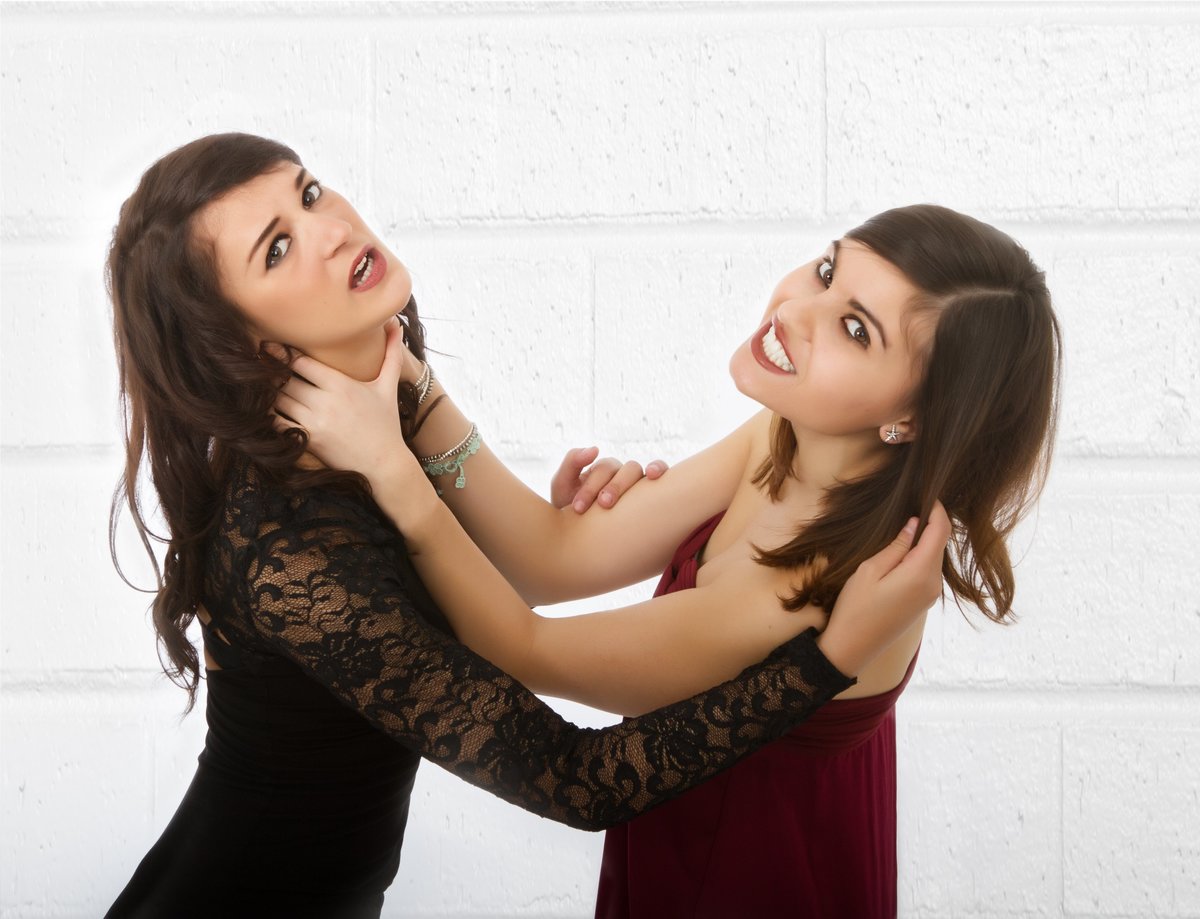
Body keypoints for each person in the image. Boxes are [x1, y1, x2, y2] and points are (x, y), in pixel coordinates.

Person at [102, 133, 946, 919]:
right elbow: (579, 776)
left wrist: (415, 432)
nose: (331, 230)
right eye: (277, 248)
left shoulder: (376, 414)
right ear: (240, 344)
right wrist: (826, 661)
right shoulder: (291, 551)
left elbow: (540, 562)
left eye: (311, 193)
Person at [279, 200, 1061, 915]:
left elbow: (525, 648)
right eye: (827, 271)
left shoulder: (815, 587)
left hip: (747, 883)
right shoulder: (784, 439)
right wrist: (409, 383)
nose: (796, 311)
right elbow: (553, 556)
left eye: (856, 330)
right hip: (679, 844)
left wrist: (392, 471)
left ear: (914, 418)